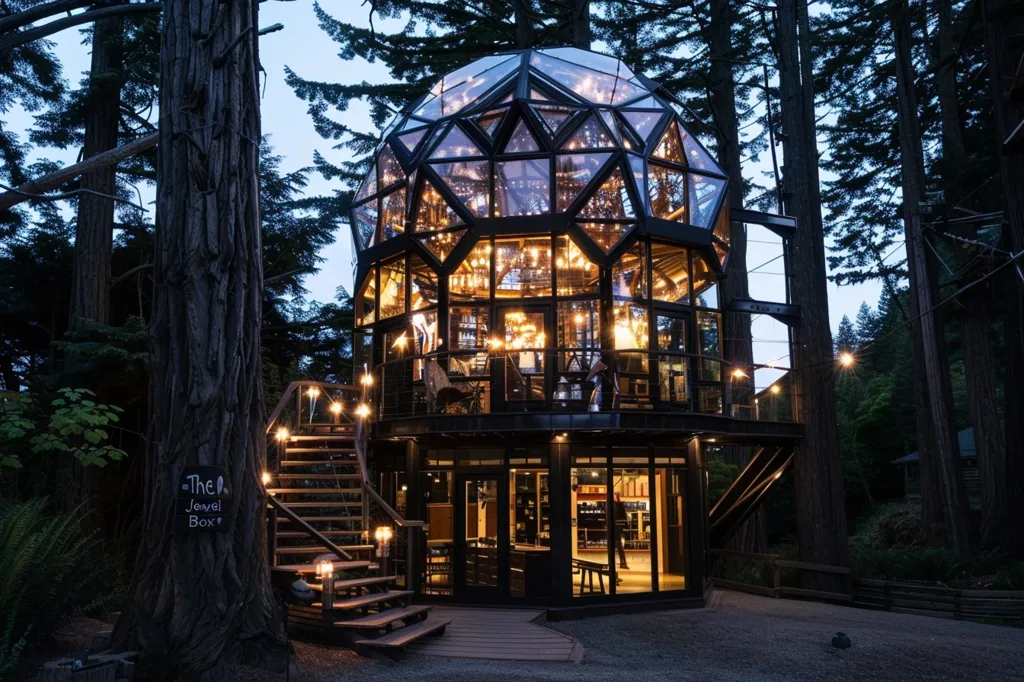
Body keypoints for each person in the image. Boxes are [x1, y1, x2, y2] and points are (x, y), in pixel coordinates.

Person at [613, 492, 629, 570]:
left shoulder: (616, 505)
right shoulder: (619, 505)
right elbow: (624, 517)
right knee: (619, 545)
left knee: (618, 545)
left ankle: (622, 563)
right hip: (619, 527)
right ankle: (622, 563)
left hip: (616, 527)